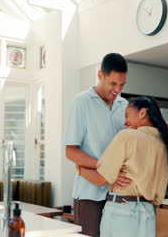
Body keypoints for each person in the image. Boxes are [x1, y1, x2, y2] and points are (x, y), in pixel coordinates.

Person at [77, 96, 168, 237]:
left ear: (142, 113)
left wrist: (79, 168)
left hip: (121, 212)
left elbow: (100, 179)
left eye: (127, 115)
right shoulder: (164, 144)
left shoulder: (127, 136)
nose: (125, 122)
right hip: (149, 213)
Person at [64, 53, 131, 237]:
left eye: (122, 84)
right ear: (100, 75)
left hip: (120, 195)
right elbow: (70, 151)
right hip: (89, 195)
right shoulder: (81, 102)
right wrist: (107, 169)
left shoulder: (125, 105)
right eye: (113, 83)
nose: (118, 89)